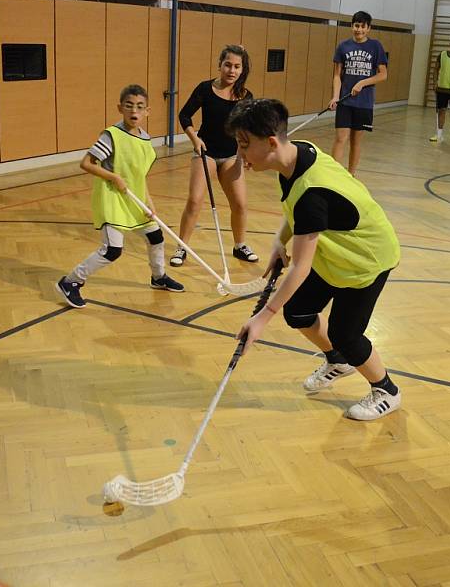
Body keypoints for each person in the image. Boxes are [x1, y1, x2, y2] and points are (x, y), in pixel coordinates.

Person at [228, 98, 402, 421]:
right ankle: (338, 361)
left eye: (243, 145)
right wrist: (279, 241)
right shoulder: (296, 155)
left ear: (269, 143)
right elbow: (296, 209)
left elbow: (301, 266)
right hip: (336, 255)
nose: (241, 154)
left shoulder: (312, 194)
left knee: (345, 334)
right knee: (298, 311)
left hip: (366, 259)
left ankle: (386, 390)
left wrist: (261, 318)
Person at [56, 84, 184, 308]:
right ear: (120, 108)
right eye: (129, 106)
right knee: (112, 250)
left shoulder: (146, 140)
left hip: (134, 200)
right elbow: (86, 163)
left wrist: (149, 202)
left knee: (156, 237)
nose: (134, 111)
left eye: (140, 107)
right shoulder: (112, 135)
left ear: (147, 111)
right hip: (112, 199)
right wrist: (113, 177)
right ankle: (71, 282)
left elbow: (140, 176)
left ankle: (158, 277)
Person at [170, 45, 258, 267]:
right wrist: (195, 140)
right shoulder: (205, 89)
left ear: (242, 69)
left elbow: (247, 130)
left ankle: (239, 246)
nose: (232, 70)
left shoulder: (246, 96)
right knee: (195, 200)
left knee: (240, 204)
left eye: (237, 66)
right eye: (228, 65)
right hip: (206, 153)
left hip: (231, 156)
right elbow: (184, 115)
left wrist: (247, 154)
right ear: (220, 65)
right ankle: (182, 247)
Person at [330, 10, 388, 176]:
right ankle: (333, 175)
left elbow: (383, 74)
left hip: (364, 102)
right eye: (356, 26)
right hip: (345, 101)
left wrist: (362, 83)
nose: (359, 30)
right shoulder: (343, 46)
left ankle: (351, 175)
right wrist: (335, 96)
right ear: (351, 26)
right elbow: (337, 75)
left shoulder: (375, 46)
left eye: (363, 27)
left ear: (368, 28)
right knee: (341, 138)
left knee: (356, 141)